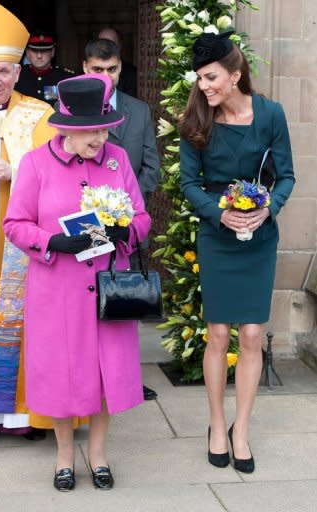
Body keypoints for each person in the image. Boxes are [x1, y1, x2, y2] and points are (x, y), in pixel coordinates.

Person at [3, 73, 151, 491]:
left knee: (105, 374)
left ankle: (98, 453)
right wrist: (53, 241)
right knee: (63, 373)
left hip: (107, 286)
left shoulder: (117, 161)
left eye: (105, 128)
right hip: (57, 290)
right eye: (92, 131)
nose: (101, 138)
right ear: (68, 129)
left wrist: (128, 232)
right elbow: (14, 225)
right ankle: (65, 454)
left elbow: (141, 216)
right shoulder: (35, 164)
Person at [179, 31, 295, 473]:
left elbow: (286, 176)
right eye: (200, 79)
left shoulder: (271, 115)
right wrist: (217, 214)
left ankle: (240, 431)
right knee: (220, 334)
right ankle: (215, 424)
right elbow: (189, 183)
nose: (204, 86)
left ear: (235, 73)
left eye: (210, 78)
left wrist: (267, 211)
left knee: (250, 335)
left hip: (259, 237)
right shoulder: (196, 119)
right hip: (217, 234)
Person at [0, 1, 57, 446]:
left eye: (5, 71)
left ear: (18, 72)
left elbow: (59, 178)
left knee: (20, 320)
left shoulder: (38, 117)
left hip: (18, 243)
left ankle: (24, 414)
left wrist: (16, 171)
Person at [83, 38, 160, 401]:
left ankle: (127, 379)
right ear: (85, 69)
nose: (105, 76)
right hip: (84, 229)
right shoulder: (69, 109)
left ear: (120, 68)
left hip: (123, 227)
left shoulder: (139, 110)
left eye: (111, 69)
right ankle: (88, 379)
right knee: (84, 311)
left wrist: (124, 206)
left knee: (122, 308)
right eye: (97, 70)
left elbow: (151, 167)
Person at [16, 31, 75, 106]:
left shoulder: (66, 78)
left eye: (44, 51)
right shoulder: (16, 76)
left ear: (53, 52)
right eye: (34, 51)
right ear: (27, 52)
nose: (39, 56)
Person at [97, 27, 137, 97]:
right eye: (101, 43)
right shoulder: (86, 73)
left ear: (119, 45)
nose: (105, 48)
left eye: (111, 43)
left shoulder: (132, 74)